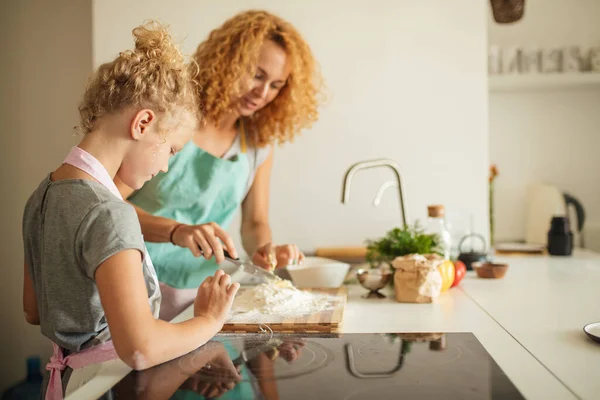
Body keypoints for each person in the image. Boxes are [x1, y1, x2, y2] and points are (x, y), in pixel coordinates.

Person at [21, 21, 239, 398]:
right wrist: (208, 319)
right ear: (143, 123)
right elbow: (141, 349)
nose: (165, 167)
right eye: (170, 150)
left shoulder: (42, 195)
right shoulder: (110, 213)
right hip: (110, 385)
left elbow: (34, 311)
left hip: (68, 385)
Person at [117, 10, 325, 321]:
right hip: (133, 282)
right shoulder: (175, 118)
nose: (263, 93)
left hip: (201, 294)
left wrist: (267, 251)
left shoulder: (256, 143)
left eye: (276, 85)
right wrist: (176, 231)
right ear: (227, 60)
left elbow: (254, 223)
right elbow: (109, 203)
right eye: (257, 75)